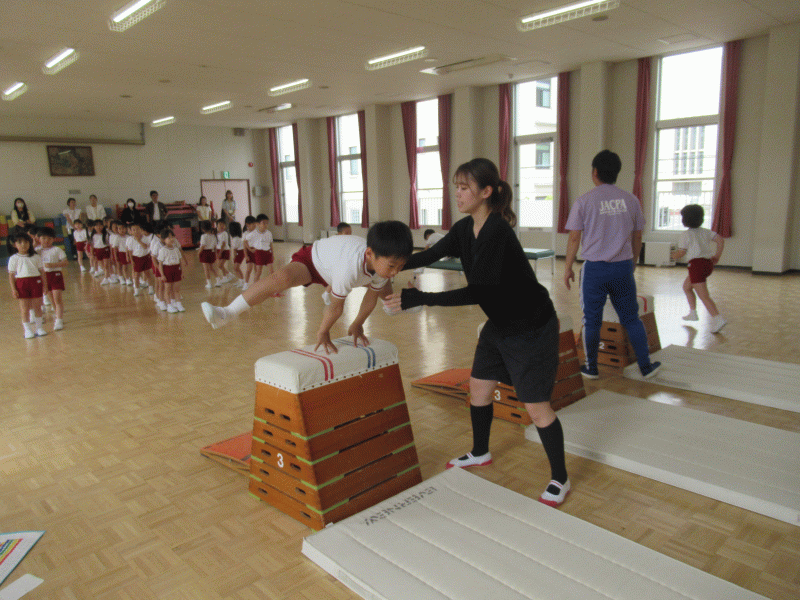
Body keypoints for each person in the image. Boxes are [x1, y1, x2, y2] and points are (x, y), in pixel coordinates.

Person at [384, 158, 570, 508]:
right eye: (455, 186)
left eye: (464, 187)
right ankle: (480, 451)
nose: (457, 193)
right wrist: (388, 261)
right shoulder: (465, 228)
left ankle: (560, 477)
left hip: (530, 327)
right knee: (479, 388)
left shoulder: (497, 233)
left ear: (486, 192)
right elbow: (432, 254)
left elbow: (477, 293)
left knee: (536, 408)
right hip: (500, 324)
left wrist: (420, 298)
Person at [201, 220, 413, 354]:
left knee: (383, 289)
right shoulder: (350, 266)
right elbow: (336, 308)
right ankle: (227, 313)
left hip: (339, 270)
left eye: (400, 266)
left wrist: (358, 323)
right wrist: (323, 331)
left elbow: (369, 299)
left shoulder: (381, 268)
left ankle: (400, 303)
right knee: (280, 278)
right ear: (369, 254)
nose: (396, 271)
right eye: (392, 265)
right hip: (315, 261)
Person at [563, 149, 661, 380]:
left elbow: (574, 237)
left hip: (595, 270)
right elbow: (638, 236)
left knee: (591, 321)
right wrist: (633, 262)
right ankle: (646, 367)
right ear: (617, 173)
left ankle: (592, 368)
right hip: (622, 267)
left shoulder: (584, 201)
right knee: (631, 318)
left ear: (595, 172)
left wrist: (567, 267)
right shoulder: (631, 200)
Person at [671, 204, 726, 333]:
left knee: (704, 296)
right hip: (707, 264)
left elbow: (681, 252)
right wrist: (717, 256)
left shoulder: (685, 235)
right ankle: (693, 313)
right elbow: (720, 240)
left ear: (685, 220)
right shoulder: (706, 232)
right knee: (686, 287)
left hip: (696, 266)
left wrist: (673, 255)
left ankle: (718, 319)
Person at [7, 231, 48, 338]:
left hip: (35, 282)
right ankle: (28, 330)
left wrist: (45, 285)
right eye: (20, 242)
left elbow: (42, 272)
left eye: (26, 242)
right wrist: (14, 289)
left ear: (30, 243)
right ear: (15, 245)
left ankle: (39, 328)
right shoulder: (13, 258)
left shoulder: (36, 257)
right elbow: (11, 275)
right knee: (24, 309)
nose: (23, 244)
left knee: (37, 307)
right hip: (21, 283)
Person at [38, 227, 67, 331]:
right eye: (43, 238)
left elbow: (65, 262)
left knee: (57, 297)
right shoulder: (37, 251)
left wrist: (53, 265)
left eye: (49, 238)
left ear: (53, 239)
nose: (46, 240)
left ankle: (59, 320)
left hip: (56, 275)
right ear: (39, 238)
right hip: (44, 276)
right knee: (50, 298)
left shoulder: (57, 250)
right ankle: (57, 314)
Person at [322, 222, 355, 304]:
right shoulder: (334, 241)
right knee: (336, 280)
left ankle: (326, 293)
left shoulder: (348, 241)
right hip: (334, 263)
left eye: (350, 233)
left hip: (342, 263)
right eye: (346, 233)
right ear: (339, 233)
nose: (349, 235)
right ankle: (328, 294)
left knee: (336, 280)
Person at [157, 229, 187, 313]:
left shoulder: (176, 249)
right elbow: (160, 264)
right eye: (168, 238)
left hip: (176, 270)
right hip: (167, 270)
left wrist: (182, 272)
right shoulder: (163, 250)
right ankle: (169, 305)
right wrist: (162, 275)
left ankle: (178, 304)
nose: (171, 239)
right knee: (168, 289)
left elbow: (180, 262)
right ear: (164, 240)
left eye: (172, 237)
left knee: (176, 289)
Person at [127, 222, 155, 296]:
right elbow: (130, 251)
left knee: (148, 274)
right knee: (136, 275)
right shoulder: (130, 240)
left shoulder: (145, 238)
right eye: (134, 230)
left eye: (137, 229)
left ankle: (151, 288)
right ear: (131, 231)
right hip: (136, 258)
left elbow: (145, 247)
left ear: (141, 229)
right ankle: (136, 289)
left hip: (145, 257)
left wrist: (139, 240)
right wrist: (132, 260)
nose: (136, 231)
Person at [249, 214, 275, 283]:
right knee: (259, 271)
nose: (266, 225)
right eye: (263, 223)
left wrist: (272, 254)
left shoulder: (269, 233)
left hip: (268, 253)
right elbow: (245, 240)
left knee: (271, 271)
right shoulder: (254, 233)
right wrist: (250, 249)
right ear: (257, 224)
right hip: (259, 253)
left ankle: (272, 285)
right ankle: (255, 286)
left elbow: (271, 244)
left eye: (267, 223)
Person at [198, 220, 221, 289]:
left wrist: (199, 253)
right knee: (212, 268)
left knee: (206, 269)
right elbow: (215, 247)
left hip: (205, 253)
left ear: (203, 229)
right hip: (212, 252)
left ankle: (209, 283)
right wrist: (216, 254)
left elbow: (203, 246)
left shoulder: (203, 236)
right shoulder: (213, 236)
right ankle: (218, 280)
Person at [91, 220, 112, 285]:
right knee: (102, 265)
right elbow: (92, 245)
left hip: (105, 249)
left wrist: (111, 252)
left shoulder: (106, 234)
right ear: (94, 227)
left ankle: (106, 278)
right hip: (97, 250)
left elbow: (109, 244)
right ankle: (108, 276)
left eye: (100, 225)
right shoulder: (93, 235)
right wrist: (92, 254)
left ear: (103, 226)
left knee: (106, 265)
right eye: (96, 225)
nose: (98, 227)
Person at [228, 221, 245, 288]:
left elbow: (234, 250)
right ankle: (241, 280)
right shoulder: (238, 238)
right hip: (240, 253)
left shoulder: (235, 239)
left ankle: (242, 280)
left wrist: (234, 257)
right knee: (236, 268)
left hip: (239, 253)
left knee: (236, 268)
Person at [215, 218, 232, 284]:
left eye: (223, 225)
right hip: (219, 250)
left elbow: (223, 244)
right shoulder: (217, 233)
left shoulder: (224, 233)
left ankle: (225, 277)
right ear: (217, 225)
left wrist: (220, 252)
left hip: (224, 250)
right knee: (220, 265)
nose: (222, 226)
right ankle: (229, 274)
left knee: (220, 265)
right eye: (220, 224)